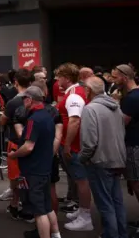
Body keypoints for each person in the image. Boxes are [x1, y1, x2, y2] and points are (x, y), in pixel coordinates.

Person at [8, 87, 61, 238]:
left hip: (33, 170)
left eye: (24, 99)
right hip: (44, 168)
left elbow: (28, 146)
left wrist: (14, 155)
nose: (23, 102)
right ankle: (56, 234)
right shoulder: (47, 115)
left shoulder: (33, 120)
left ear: (29, 100)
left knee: (39, 211)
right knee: (47, 206)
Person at [80, 76, 127, 238]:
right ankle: (122, 234)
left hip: (100, 161)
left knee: (105, 204)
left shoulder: (90, 109)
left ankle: (111, 235)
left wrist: (82, 158)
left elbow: (89, 142)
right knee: (117, 202)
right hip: (117, 158)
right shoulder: (116, 107)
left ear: (88, 90)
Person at [55, 63, 92, 231]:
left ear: (67, 78)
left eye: (59, 76)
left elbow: (75, 121)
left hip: (75, 146)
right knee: (78, 179)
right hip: (72, 144)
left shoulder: (74, 96)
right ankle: (82, 211)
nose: (56, 79)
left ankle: (86, 217)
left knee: (81, 180)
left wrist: (68, 145)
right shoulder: (72, 93)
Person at [0, 69, 35, 221]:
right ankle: (27, 207)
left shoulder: (13, 102)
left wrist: (2, 118)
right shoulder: (38, 99)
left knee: (16, 177)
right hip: (34, 142)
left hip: (17, 144)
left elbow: (3, 121)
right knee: (31, 176)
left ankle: (18, 205)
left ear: (15, 83)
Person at [116, 64, 139, 207]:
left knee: (136, 182)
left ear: (124, 78)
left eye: (115, 77)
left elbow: (122, 122)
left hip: (133, 144)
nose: (113, 80)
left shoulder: (131, 98)